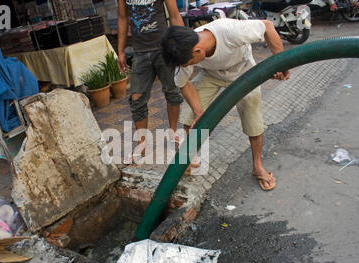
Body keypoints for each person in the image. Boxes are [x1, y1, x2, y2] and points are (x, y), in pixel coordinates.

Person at [161, 19, 291, 190]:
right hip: (212, 74)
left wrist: (282, 64)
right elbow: (184, 83)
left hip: (243, 72)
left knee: (253, 123)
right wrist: (199, 112)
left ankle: (257, 166)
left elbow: (267, 26)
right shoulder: (184, 50)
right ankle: (191, 156)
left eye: (189, 64)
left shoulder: (230, 31)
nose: (187, 67)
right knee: (189, 117)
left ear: (198, 51)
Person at [117, 0, 185, 162]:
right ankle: (142, 144)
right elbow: (122, 17)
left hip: (164, 49)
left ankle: (173, 132)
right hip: (140, 53)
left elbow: (174, 15)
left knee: (172, 92)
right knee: (136, 99)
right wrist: (120, 51)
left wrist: (182, 46)